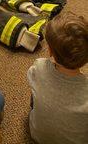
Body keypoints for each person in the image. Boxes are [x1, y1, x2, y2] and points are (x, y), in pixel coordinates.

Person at [27, 13, 88, 144]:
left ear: (50, 50)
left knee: (36, 91)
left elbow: (31, 80)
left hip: (38, 136)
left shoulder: (38, 67)